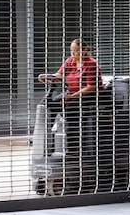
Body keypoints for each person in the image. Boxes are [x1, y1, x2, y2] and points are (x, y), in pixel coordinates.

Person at [39, 38, 103, 193]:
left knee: (71, 109)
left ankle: (73, 149)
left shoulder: (91, 64)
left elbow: (91, 87)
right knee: (49, 104)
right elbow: (59, 75)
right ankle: (47, 139)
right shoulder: (70, 61)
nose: (72, 54)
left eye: (75, 51)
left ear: (84, 51)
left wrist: (72, 96)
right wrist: (47, 77)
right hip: (72, 94)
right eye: (71, 51)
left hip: (90, 97)